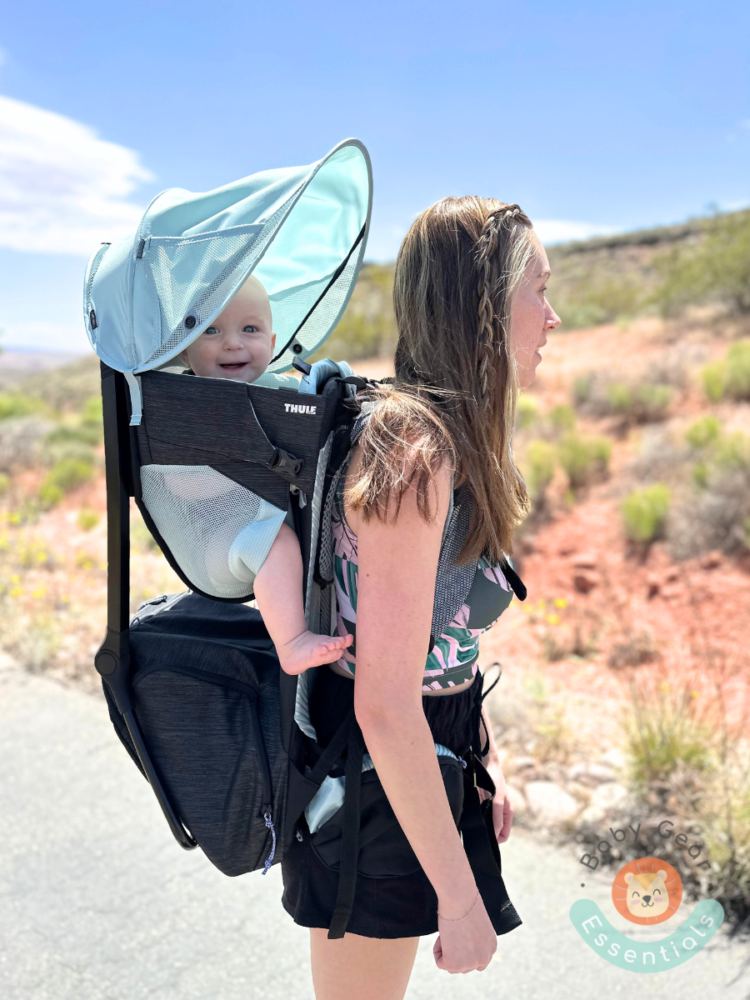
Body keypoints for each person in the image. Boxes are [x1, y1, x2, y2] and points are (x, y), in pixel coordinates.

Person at [280, 196, 561, 998]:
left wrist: (486, 752)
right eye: (536, 289)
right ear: (480, 306)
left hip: (424, 749)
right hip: (371, 771)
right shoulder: (415, 450)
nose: (552, 316)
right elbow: (385, 705)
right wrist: (461, 900)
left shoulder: (453, 441)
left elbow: (444, 632)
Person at [178, 273, 353, 675]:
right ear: (185, 353)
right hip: (217, 535)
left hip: (264, 518)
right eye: (212, 330)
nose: (233, 342)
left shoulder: (276, 391)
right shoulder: (184, 405)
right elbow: (183, 483)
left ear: (273, 345)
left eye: (250, 329)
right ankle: (292, 643)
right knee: (277, 541)